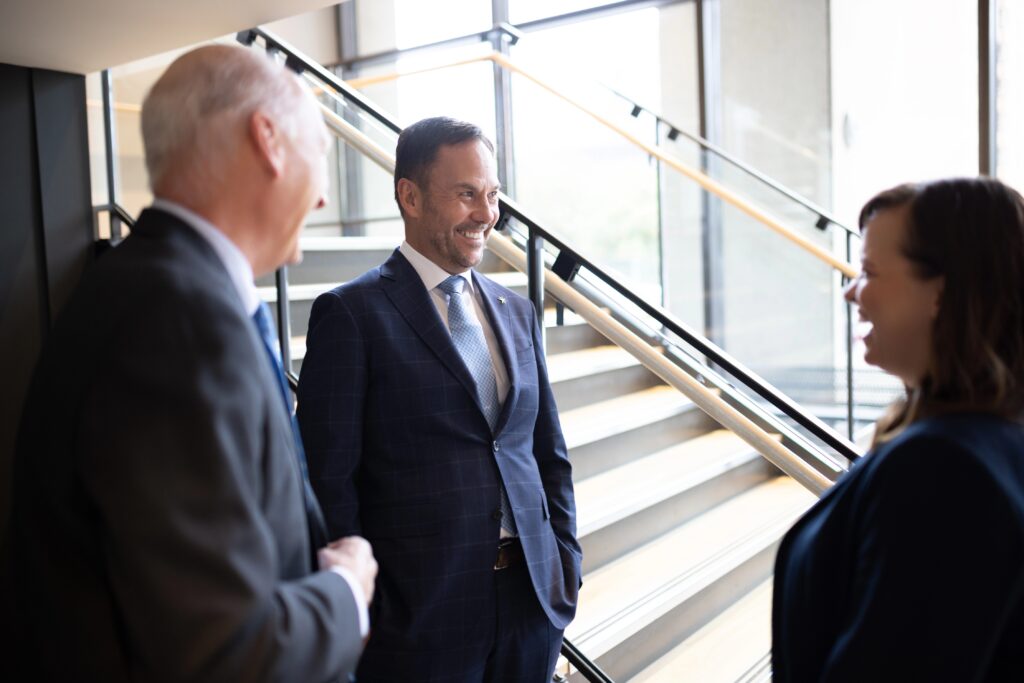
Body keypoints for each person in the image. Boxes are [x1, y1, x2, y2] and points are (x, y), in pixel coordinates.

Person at [11, 44, 377, 682]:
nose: (323, 200)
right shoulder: (178, 320)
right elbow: (223, 650)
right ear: (268, 139)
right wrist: (347, 590)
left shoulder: (145, 291)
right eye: (322, 151)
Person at [297, 116, 582, 682]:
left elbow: (547, 452)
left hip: (531, 603)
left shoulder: (517, 311)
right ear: (410, 196)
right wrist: (367, 608)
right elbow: (327, 484)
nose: (486, 214)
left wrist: (565, 563)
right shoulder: (351, 315)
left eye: (493, 195)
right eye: (466, 194)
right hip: (418, 623)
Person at [772, 177, 1024, 681]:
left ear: (941, 292)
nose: (850, 290)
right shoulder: (995, 436)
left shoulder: (941, 471)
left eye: (868, 271)